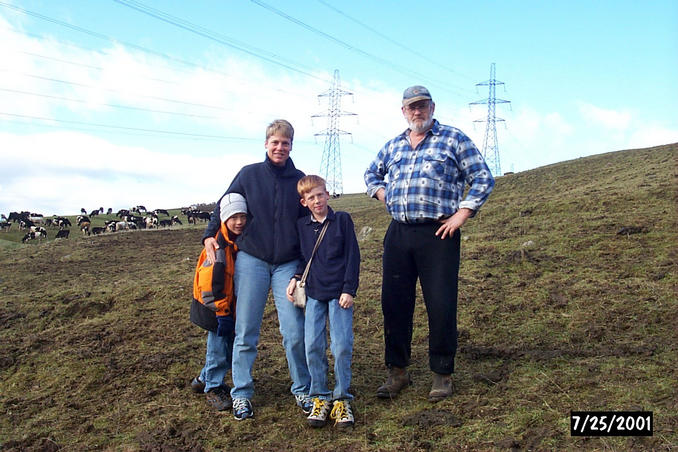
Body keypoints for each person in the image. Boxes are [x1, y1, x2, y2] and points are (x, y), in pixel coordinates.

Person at [364, 86, 495, 402]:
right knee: (394, 304)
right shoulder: (393, 145)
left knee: (441, 303)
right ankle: (397, 372)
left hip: (439, 234)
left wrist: (462, 214)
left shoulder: (453, 139)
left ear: (432, 107)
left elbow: (482, 177)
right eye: (411, 107)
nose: (417, 111)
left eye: (422, 106)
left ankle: (442, 374)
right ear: (403, 111)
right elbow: (371, 174)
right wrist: (385, 195)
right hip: (399, 233)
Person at [202, 119, 311, 420]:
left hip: (287, 265)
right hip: (252, 260)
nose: (280, 147)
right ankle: (241, 393)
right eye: (274, 142)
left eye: (285, 143)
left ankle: (303, 389)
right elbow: (223, 205)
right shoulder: (248, 175)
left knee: (293, 331)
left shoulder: (298, 179)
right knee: (246, 330)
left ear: (291, 146)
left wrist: (302, 267)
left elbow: (308, 223)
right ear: (266, 144)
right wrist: (210, 234)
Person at [285, 175, 360, 428]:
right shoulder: (302, 226)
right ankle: (319, 396)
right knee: (312, 346)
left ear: (328, 194)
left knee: (341, 347)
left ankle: (341, 399)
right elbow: (303, 257)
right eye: (311, 198)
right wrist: (296, 278)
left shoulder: (342, 221)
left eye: (320, 195)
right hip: (315, 295)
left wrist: (349, 289)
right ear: (303, 202)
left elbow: (353, 256)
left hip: (340, 295)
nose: (317, 201)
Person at [189, 193, 248, 412]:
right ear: (224, 219)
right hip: (215, 308)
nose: (239, 222)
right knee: (218, 347)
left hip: (226, 306)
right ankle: (213, 387)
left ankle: (203, 378)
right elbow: (210, 287)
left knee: (226, 346)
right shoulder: (217, 248)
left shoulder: (234, 241)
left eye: (243, 216)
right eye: (234, 217)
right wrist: (223, 313)